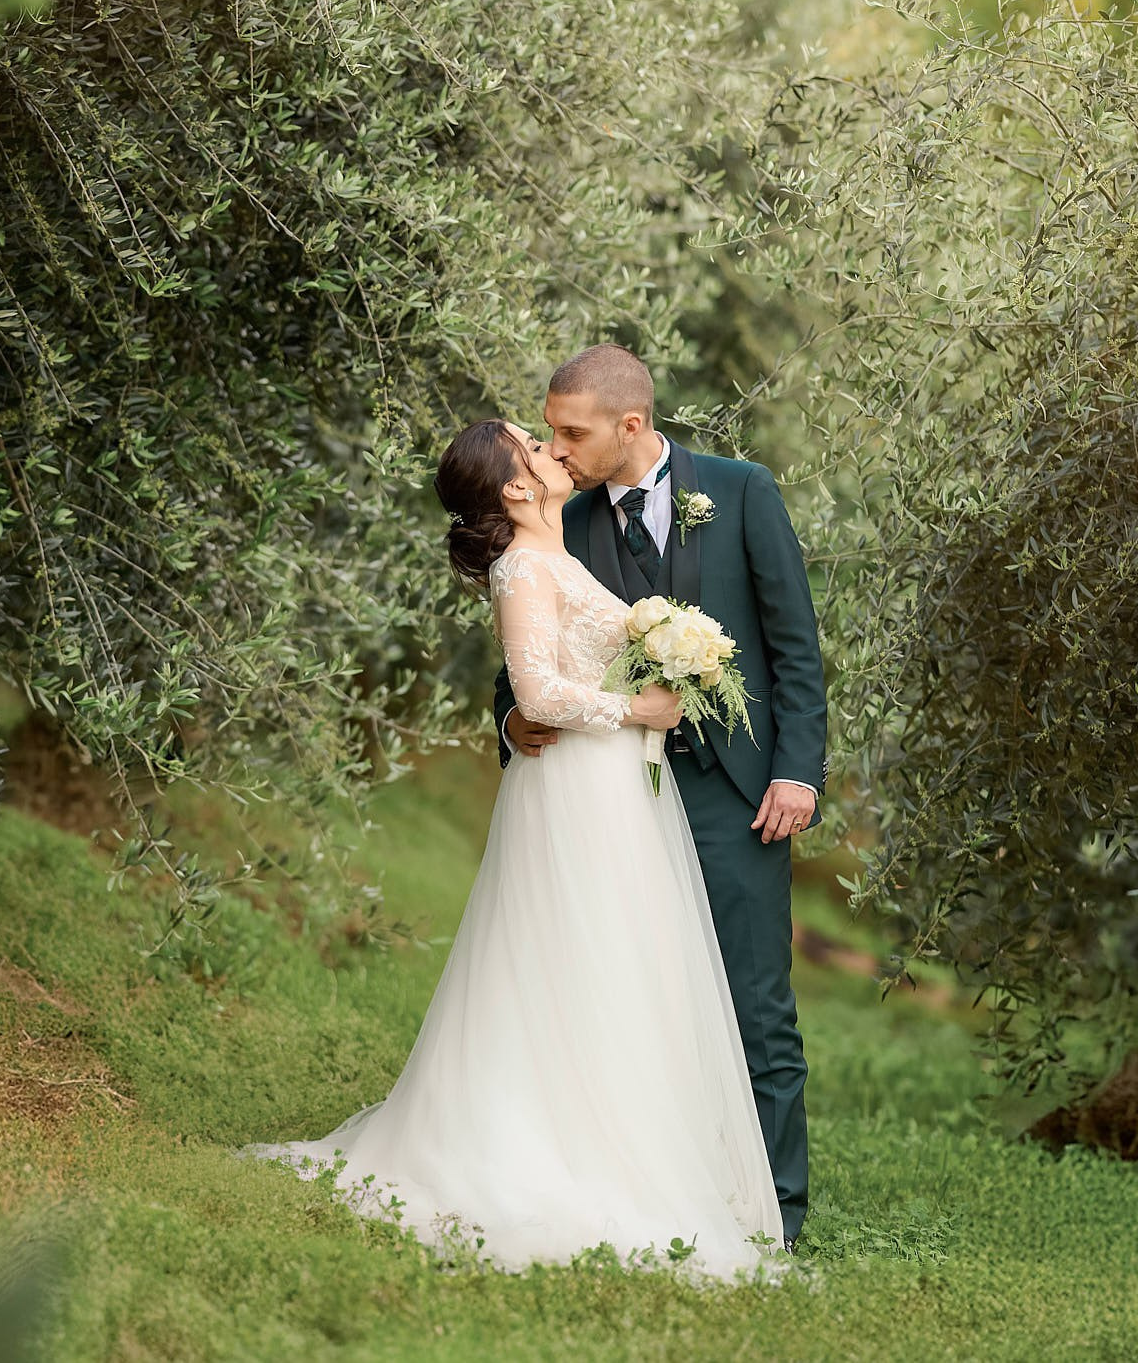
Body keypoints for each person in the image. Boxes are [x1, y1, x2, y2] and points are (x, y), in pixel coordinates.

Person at [241, 416, 784, 1279]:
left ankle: (619, 1143)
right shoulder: (525, 567)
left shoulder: (555, 555)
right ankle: (562, 1150)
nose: (552, 450)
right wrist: (637, 710)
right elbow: (535, 692)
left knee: (610, 964)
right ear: (515, 487)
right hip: (575, 789)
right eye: (534, 445)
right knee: (576, 959)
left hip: (610, 788)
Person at [499, 345, 826, 1249]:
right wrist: (511, 720)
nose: (555, 451)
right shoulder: (565, 522)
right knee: (627, 997)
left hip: (736, 794)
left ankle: (777, 1214)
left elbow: (794, 647)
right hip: (613, 798)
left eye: (572, 434)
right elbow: (527, 653)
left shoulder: (742, 491)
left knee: (755, 1004)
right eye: (550, 433)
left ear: (631, 425)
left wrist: (797, 771)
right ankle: (657, 1193)